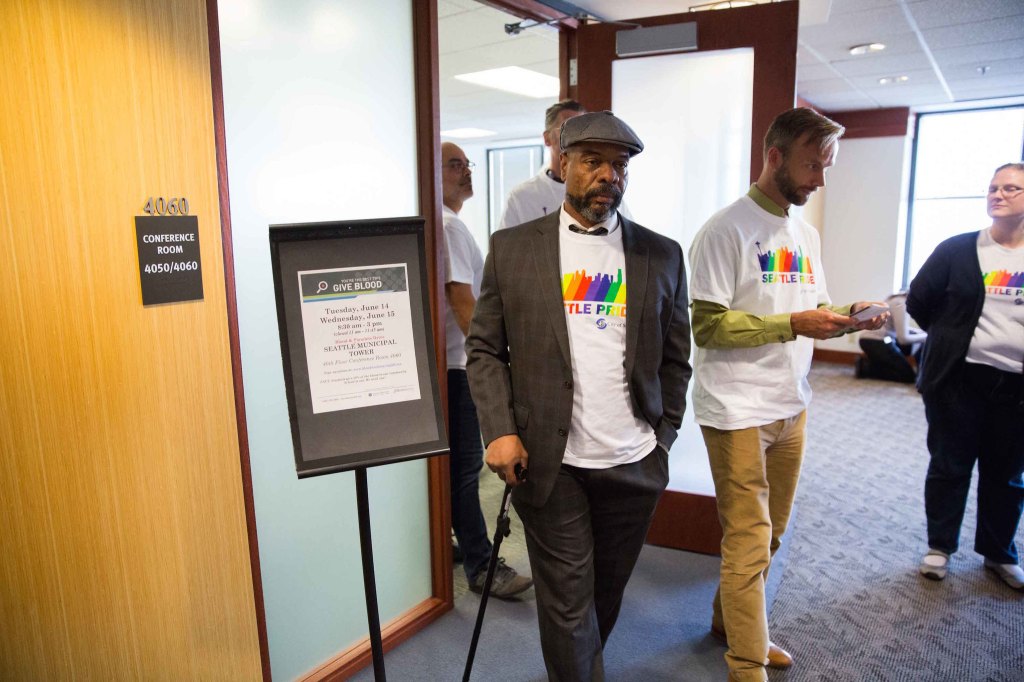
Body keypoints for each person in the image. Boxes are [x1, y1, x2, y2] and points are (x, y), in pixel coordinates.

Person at [466, 111, 692, 681]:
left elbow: (676, 357)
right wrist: (498, 429)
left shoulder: (661, 255)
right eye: (593, 161)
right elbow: (485, 350)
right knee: (568, 604)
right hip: (549, 461)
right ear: (563, 163)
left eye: (619, 166)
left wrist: (663, 435)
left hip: (634, 460)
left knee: (604, 594)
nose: (607, 176)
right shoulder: (514, 249)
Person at [687, 107, 888, 682]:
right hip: (736, 409)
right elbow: (708, 327)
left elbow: (812, 307)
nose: (819, 180)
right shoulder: (724, 230)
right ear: (773, 156)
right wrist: (794, 325)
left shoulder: (805, 233)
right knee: (748, 539)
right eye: (812, 165)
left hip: (790, 404)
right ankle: (747, 660)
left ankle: (732, 623)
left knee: (771, 534)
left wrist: (851, 314)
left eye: (826, 167)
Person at [908, 161, 1024, 591]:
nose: (999, 194)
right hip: (959, 381)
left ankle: (998, 553)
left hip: (1016, 387)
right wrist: (950, 338)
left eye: (1012, 188)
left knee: (1007, 474)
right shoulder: (958, 249)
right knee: (949, 465)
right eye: (994, 188)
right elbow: (919, 301)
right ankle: (940, 546)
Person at [440, 141, 532, 599]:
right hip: (460, 366)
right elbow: (462, 300)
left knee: (453, 469)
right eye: (454, 165)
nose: (466, 172)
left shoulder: (451, 224)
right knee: (465, 470)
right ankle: (482, 565)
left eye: (467, 163)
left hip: (455, 363)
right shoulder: (449, 226)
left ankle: (452, 544)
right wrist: (487, 363)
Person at [498, 99, 585, 230]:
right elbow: (505, 248)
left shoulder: (603, 193)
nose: (576, 137)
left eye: (582, 130)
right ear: (547, 138)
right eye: (567, 128)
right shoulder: (522, 197)